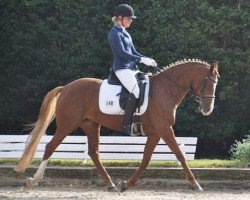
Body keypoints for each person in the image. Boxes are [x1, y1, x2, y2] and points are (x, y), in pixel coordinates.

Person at [108, 4, 157, 135]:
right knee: (135, 91)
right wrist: (140, 60)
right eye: (129, 18)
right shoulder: (114, 33)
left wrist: (146, 59)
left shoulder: (126, 33)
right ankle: (127, 124)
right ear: (119, 18)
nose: (131, 20)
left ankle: (140, 119)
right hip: (121, 68)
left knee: (147, 85)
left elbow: (133, 51)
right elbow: (122, 53)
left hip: (131, 68)